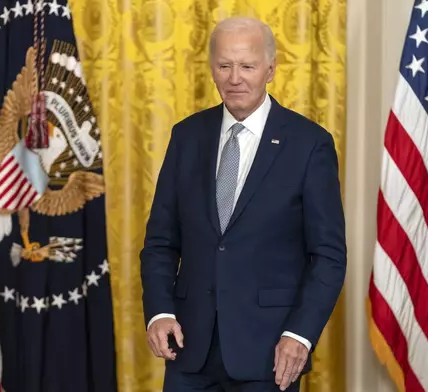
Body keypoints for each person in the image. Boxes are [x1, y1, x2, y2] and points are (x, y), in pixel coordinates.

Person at [139, 16, 347, 392]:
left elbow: (328, 255)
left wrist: (299, 335)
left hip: (269, 354)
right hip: (188, 350)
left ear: (270, 69)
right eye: (225, 65)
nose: (235, 78)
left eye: (247, 66)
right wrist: (160, 312)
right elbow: (160, 242)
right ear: (212, 70)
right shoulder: (186, 136)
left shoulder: (309, 144)